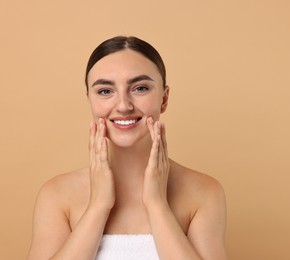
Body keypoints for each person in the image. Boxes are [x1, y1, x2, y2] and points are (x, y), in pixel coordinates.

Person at [27, 36, 227, 259]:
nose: (123, 105)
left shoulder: (204, 193)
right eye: (105, 91)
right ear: (89, 99)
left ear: (164, 98)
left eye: (140, 88)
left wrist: (157, 205)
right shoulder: (57, 195)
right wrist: (98, 205)